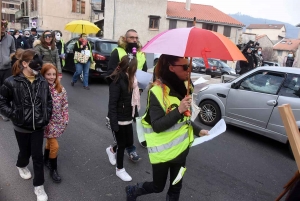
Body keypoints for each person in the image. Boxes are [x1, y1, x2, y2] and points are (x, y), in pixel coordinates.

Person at [125, 54, 209, 201]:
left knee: (176, 187)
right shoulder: (156, 91)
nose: (189, 70)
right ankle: (133, 190)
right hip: (162, 153)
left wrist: (198, 130)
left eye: (190, 66)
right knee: (158, 186)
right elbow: (157, 125)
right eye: (185, 67)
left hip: (182, 151)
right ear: (171, 68)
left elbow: (185, 119)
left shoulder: (186, 87)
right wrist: (179, 110)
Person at [0, 49, 52, 201]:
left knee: (37, 155)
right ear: (24, 63)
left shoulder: (42, 81)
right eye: (35, 64)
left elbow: (48, 100)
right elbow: (2, 101)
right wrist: (15, 115)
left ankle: (39, 186)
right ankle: (21, 165)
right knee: (25, 153)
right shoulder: (11, 82)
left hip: (38, 127)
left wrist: (46, 115)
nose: (38, 68)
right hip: (21, 126)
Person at [106, 29, 147, 142]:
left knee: (135, 116)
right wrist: (120, 87)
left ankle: (135, 141)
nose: (134, 40)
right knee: (120, 117)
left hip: (135, 92)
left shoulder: (141, 53)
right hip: (121, 92)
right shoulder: (118, 52)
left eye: (136, 38)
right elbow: (110, 73)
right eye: (131, 38)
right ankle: (121, 143)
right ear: (125, 39)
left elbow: (144, 71)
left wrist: (140, 89)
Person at [106, 54, 141, 181]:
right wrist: (114, 123)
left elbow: (131, 99)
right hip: (119, 118)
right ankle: (120, 169)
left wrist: (135, 114)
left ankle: (111, 150)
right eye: (135, 67)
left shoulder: (132, 80)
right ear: (129, 68)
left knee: (128, 142)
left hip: (127, 116)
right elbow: (112, 103)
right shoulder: (117, 81)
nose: (136, 70)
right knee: (122, 145)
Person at [41, 63, 69, 183]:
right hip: (46, 122)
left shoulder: (60, 89)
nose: (51, 77)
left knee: (50, 141)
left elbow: (65, 105)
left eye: (54, 74)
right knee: (55, 145)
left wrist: (65, 118)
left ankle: (45, 159)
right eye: (48, 74)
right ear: (43, 75)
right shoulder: (41, 88)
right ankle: (53, 169)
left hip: (58, 121)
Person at [0, 20, 15, 121]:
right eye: (1, 25)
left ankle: (4, 111)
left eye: (4, 25)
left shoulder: (10, 38)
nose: (3, 27)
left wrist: (9, 59)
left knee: (6, 90)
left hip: (7, 68)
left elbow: (13, 51)